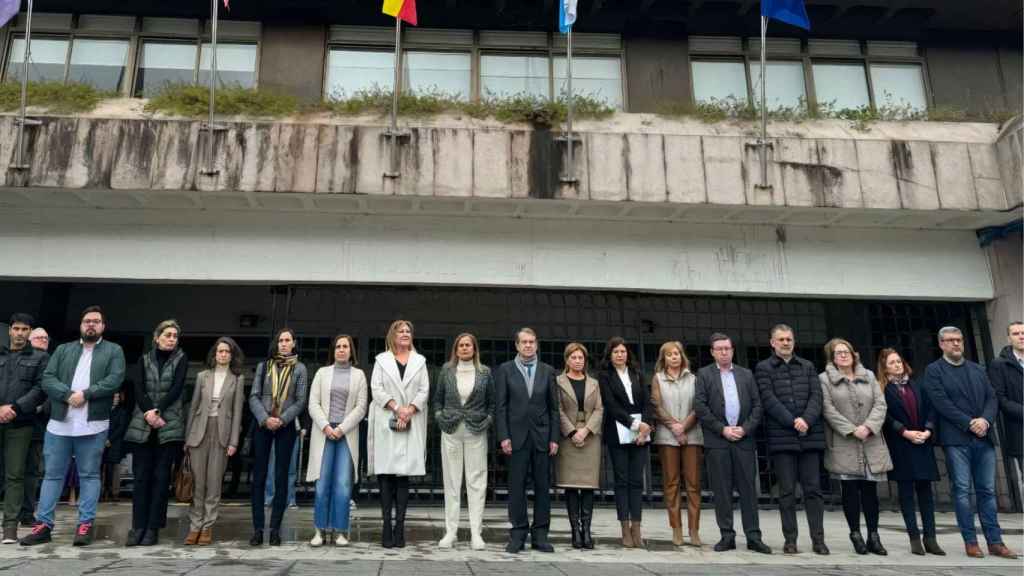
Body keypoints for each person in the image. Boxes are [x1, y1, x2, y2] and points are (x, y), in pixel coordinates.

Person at [21, 305, 125, 547]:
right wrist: (68, 395)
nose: (91, 324)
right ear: (81, 325)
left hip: (94, 424)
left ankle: (84, 525)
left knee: (89, 475)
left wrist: (87, 394)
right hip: (60, 424)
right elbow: (48, 378)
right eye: (87, 321)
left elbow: (115, 378)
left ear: (102, 326)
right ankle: (43, 525)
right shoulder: (64, 350)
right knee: (52, 476)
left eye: (96, 321)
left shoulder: (114, 350)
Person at [924, 326, 1017, 559]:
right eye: (951, 340)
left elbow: (992, 397)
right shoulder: (934, 370)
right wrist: (968, 422)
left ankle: (995, 542)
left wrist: (985, 420)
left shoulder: (977, 369)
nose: (956, 344)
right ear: (941, 344)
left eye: (959, 340)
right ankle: (971, 541)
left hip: (983, 438)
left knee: (987, 491)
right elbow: (940, 402)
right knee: (963, 491)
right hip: (957, 439)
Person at [755, 323, 828, 555]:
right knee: (786, 492)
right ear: (772, 343)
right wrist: (792, 421)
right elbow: (768, 399)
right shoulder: (764, 368)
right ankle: (790, 540)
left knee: (813, 490)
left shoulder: (807, 366)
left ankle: (818, 540)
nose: (786, 343)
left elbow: (817, 396)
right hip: (782, 438)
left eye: (789, 339)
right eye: (781, 339)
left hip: (809, 436)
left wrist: (805, 419)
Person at [694, 333, 771, 554]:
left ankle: (754, 536)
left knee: (748, 490)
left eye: (727, 348)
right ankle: (727, 536)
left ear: (732, 350)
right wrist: (722, 429)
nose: (724, 352)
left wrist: (745, 428)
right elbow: (700, 406)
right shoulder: (704, 374)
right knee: (722, 491)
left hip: (744, 440)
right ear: (712, 352)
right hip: (718, 441)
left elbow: (758, 406)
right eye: (719, 349)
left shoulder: (746, 375)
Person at [819, 338, 891, 556]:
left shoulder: (868, 376)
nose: (843, 355)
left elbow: (880, 404)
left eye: (846, 351)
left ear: (853, 354)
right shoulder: (824, 379)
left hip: (870, 441)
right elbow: (827, 409)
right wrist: (851, 429)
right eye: (838, 353)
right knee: (850, 491)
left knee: (870, 492)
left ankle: (873, 535)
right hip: (845, 442)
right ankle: (855, 535)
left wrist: (868, 427)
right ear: (832, 357)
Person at [123, 320, 188, 547]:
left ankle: (152, 528)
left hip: (167, 426)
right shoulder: (144, 359)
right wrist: (149, 411)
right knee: (141, 478)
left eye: (175, 336)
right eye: (168, 335)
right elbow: (138, 388)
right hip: (143, 424)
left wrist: (158, 410)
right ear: (157, 337)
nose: (172, 339)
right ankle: (137, 526)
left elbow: (177, 388)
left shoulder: (181, 359)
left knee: (161, 480)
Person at [494, 327, 559, 553]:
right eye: (524, 342)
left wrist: (554, 438)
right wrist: (504, 436)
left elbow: (554, 409)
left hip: (542, 438)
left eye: (532, 341)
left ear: (537, 345)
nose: (528, 345)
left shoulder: (548, 371)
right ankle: (518, 534)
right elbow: (500, 407)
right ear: (517, 345)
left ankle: (540, 535)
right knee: (516, 488)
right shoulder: (505, 370)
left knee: (542, 488)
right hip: (516, 438)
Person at [877, 348, 945, 556]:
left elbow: (931, 409)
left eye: (899, 361)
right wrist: (904, 432)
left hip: (922, 443)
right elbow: (885, 417)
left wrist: (928, 429)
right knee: (906, 493)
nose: (897, 365)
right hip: (902, 444)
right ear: (885, 368)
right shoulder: (884, 390)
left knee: (926, 493)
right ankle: (914, 538)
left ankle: (931, 538)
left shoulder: (917, 385)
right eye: (892, 363)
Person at [368, 320, 429, 549]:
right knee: (386, 476)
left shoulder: (420, 361)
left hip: (409, 422)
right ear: (392, 335)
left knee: (403, 476)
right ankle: (386, 526)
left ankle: (400, 527)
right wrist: (397, 408)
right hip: (387, 421)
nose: (405, 334)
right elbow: (376, 389)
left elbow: (424, 390)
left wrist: (409, 410)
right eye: (401, 331)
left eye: (408, 331)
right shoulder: (381, 360)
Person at [249, 327, 309, 546]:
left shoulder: (300, 369)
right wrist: (266, 419)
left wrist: (281, 419)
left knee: (282, 477)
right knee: (260, 477)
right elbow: (254, 396)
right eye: (280, 340)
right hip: (263, 425)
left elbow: (301, 400)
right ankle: (257, 529)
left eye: (287, 340)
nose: (284, 344)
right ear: (276, 344)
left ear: (293, 344)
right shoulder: (263, 366)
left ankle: (275, 529)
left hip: (286, 426)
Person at [183, 337, 246, 546]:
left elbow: (237, 413)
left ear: (232, 355)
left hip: (222, 434)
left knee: (213, 484)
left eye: (227, 352)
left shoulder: (237, 379)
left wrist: (234, 442)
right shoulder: (203, 377)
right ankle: (195, 526)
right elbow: (193, 407)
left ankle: (208, 527)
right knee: (198, 483)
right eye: (220, 351)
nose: (223, 355)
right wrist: (187, 438)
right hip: (199, 432)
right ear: (214, 354)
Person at [434, 333, 493, 550]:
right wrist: (440, 416)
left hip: (476, 430)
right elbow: (437, 399)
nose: (465, 348)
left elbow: (492, 403)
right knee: (451, 481)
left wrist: (487, 420)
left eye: (469, 345)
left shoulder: (485, 372)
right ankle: (451, 532)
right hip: (450, 429)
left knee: (476, 481)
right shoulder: (446, 370)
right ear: (456, 349)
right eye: (461, 345)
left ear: (474, 349)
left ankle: (476, 533)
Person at [307, 335, 367, 547]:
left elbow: (361, 408)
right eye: (338, 347)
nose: (342, 350)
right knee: (322, 484)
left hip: (346, 433)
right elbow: (313, 403)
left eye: (346, 347)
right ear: (333, 351)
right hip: (323, 432)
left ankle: (341, 531)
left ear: (352, 351)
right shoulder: (322, 373)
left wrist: (341, 428)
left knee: (342, 484)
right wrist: (326, 426)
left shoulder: (359, 375)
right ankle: (320, 531)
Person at [598, 336, 653, 549]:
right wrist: (634, 424)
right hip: (618, 432)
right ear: (609, 356)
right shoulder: (605, 376)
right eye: (616, 352)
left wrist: (645, 426)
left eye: (623, 351)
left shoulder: (637, 374)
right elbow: (611, 405)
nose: (620, 355)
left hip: (641, 433)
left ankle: (637, 528)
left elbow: (647, 401)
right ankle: (624, 528)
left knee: (636, 481)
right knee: (621, 481)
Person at [0, 314, 48, 543]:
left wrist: (15, 408)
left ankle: (10, 527)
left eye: (24, 329)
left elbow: (40, 389)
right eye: (16, 328)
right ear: (10, 330)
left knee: (15, 474)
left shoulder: (40, 357)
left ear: (30, 332)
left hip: (20, 424)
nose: (20, 333)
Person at [650, 341, 702, 548]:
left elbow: (699, 406)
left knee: (693, 484)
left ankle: (694, 531)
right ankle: (677, 529)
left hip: (692, 436)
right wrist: (675, 427)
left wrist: (684, 427)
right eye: (670, 354)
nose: (674, 357)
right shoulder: (658, 379)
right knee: (671, 484)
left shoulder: (693, 379)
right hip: (667, 436)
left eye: (677, 354)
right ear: (664, 358)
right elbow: (656, 406)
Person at [554, 342, 602, 550]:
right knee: (572, 486)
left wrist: (586, 430)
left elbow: (600, 409)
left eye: (581, 357)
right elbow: (557, 409)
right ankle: (575, 530)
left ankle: (587, 531)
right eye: (573, 357)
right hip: (569, 438)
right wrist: (573, 432)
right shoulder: (558, 382)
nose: (577, 361)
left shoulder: (594, 383)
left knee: (588, 486)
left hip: (590, 437)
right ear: (567, 360)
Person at [21, 328, 50, 527]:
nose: (43, 340)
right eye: (38, 337)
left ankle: (27, 513)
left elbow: (52, 392)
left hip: (37, 423)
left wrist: (39, 408)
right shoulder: (20, 360)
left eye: (46, 338)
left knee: (32, 471)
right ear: (29, 340)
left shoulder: (51, 362)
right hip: (15, 419)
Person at [988, 322, 1023, 488]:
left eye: (1023, 333)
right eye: (1016, 334)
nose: (1021, 336)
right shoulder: (999, 364)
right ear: (1009, 338)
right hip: (1020, 430)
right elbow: (1000, 399)